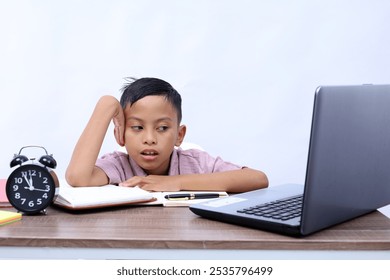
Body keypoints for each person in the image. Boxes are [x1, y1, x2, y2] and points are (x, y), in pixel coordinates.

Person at [66, 77, 268, 192]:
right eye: (137, 127)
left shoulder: (195, 162)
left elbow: (258, 179)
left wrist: (175, 182)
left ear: (179, 135)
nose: (150, 138)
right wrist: (107, 104)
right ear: (121, 134)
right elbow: (77, 177)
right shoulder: (119, 165)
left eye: (162, 128)